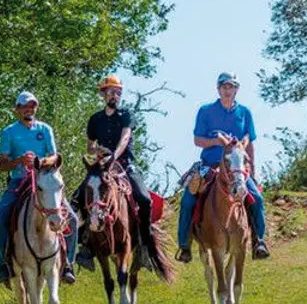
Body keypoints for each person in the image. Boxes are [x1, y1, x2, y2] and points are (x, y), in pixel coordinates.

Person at [176, 73, 269, 262]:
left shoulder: (245, 113)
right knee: (188, 200)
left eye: (231, 87)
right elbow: (197, 140)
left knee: (256, 199)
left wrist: (253, 170)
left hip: (237, 169)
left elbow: (249, 143)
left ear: (237, 89)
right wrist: (215, 141)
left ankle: (259, 241)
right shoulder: (206, 111)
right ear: (218, 89)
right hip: (209, 166)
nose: (227, 91)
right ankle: (184, 245)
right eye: (224, 87)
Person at [0, 91, 79, 287]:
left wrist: (41, 163)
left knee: (72, 219)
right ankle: (3, 265)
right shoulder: (9, 132)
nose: (29, 109)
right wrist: (20, 161)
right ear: (17, 109)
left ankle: (68, 265)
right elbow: (2, 165)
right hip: (19, 181)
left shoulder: (45, 129)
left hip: (44, 181)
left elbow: (55, 157)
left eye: (32, 106)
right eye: (24, 106)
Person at [74, 74, 157, 271]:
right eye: (111, 91)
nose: (115, 95)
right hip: (101, 167)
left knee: (145, 199)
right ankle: (85, 246)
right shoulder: (95, 119)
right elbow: (89, 147)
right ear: (103, 94)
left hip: (125, 166)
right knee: (77, 199)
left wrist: (114, 155)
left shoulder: (126, 115)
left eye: (118, 92)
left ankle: (145, 247)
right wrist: (98, 152)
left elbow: (125, 137)